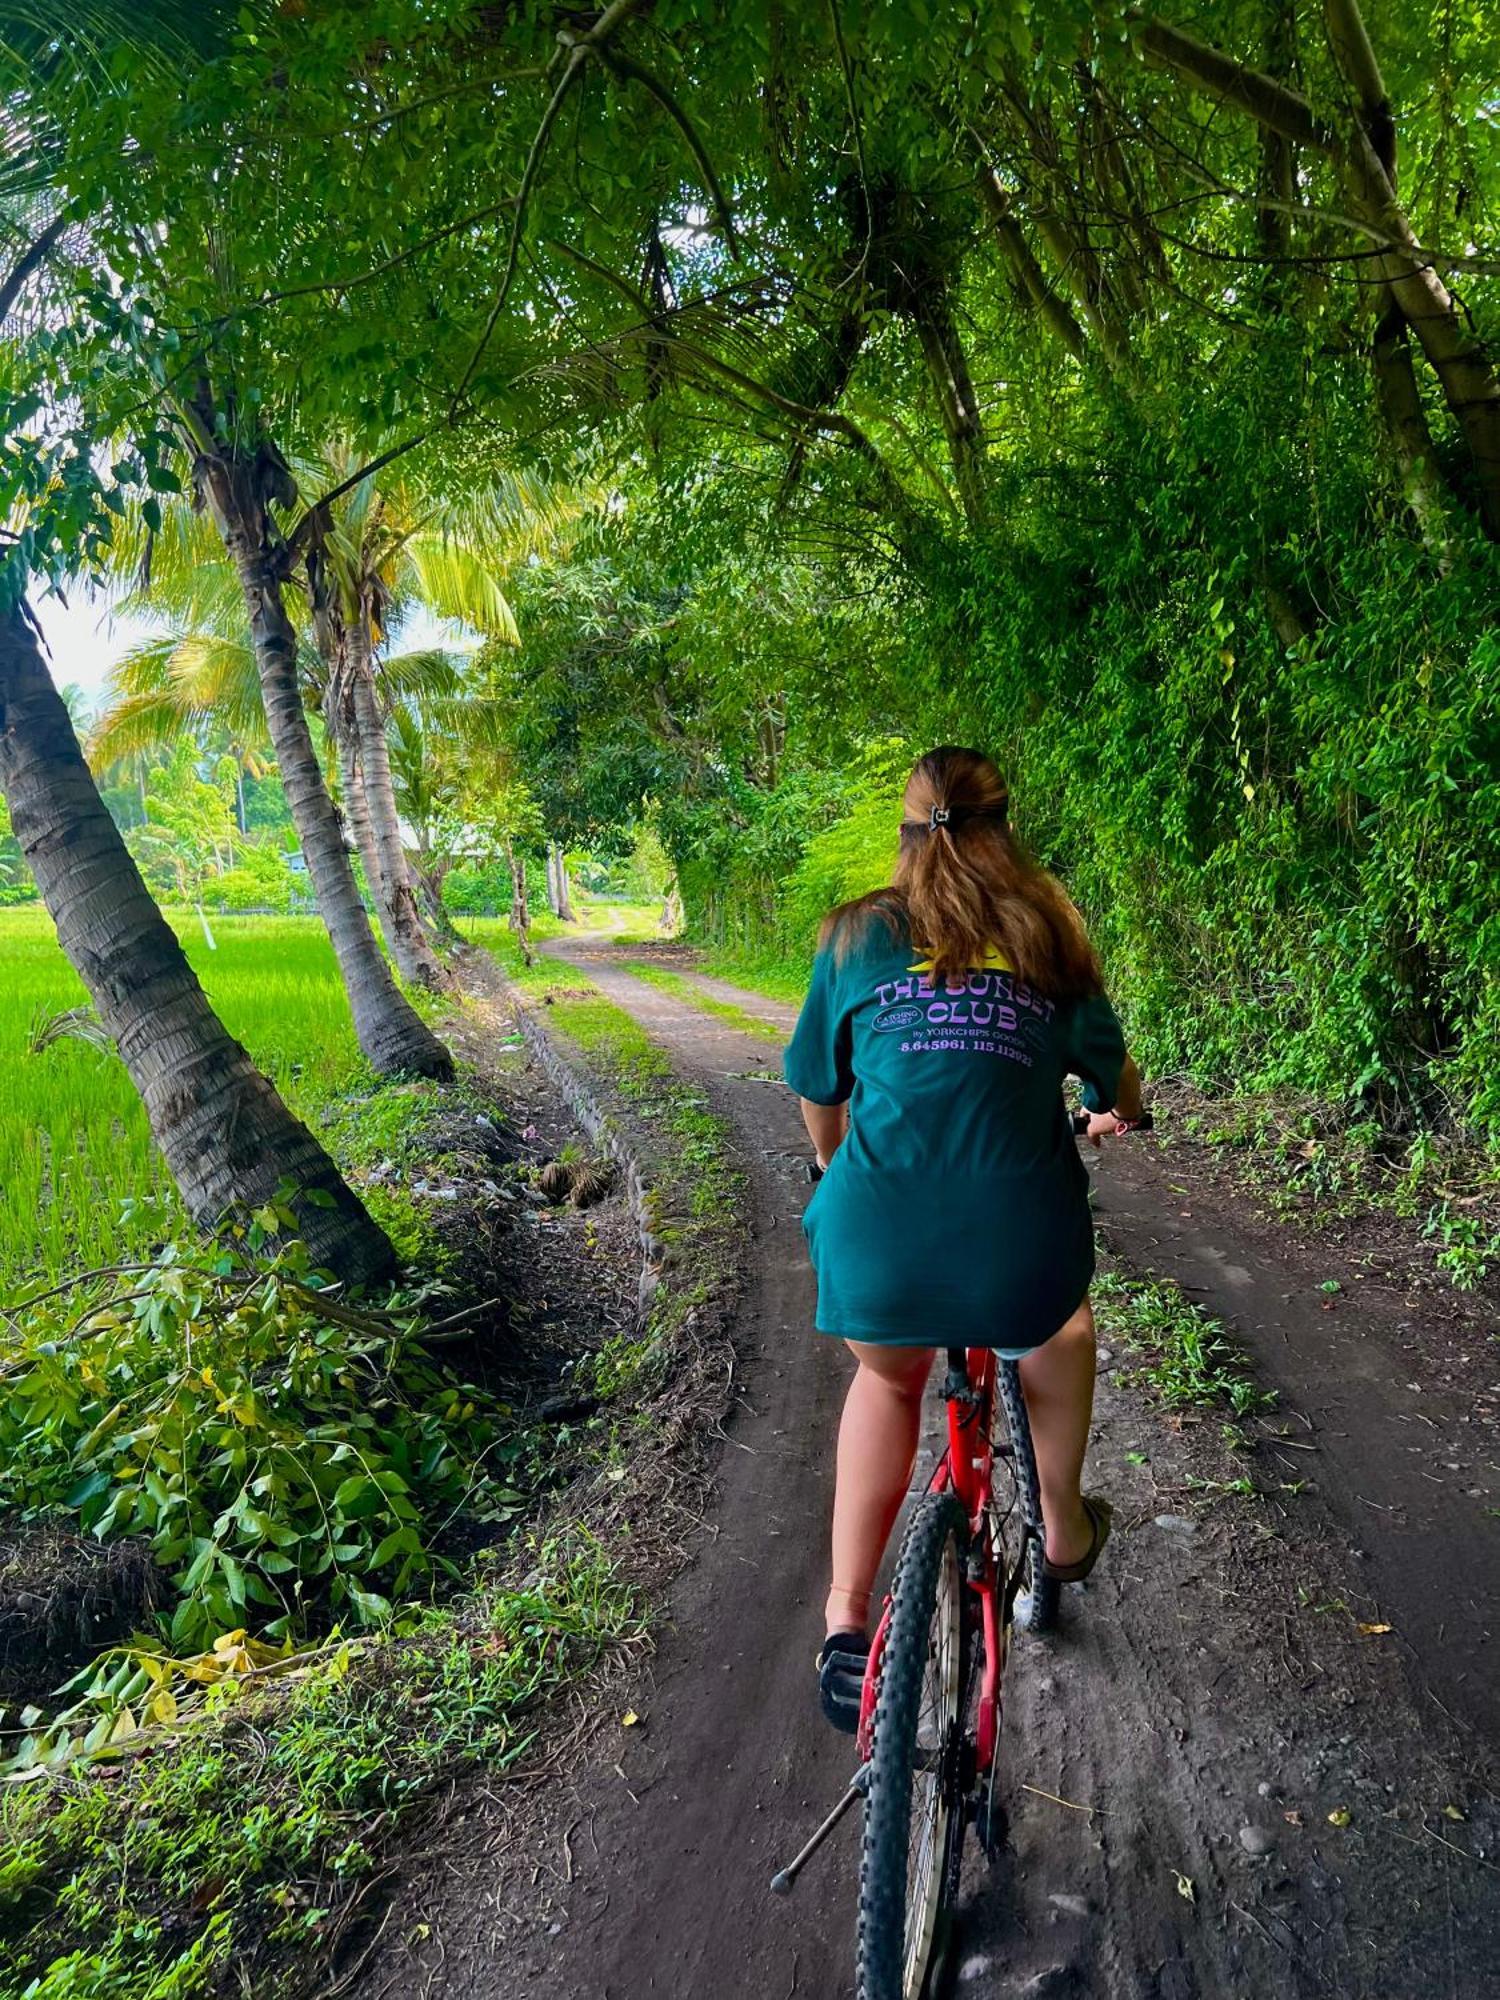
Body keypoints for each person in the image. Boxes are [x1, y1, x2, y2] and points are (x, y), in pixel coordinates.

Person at [782, 746, 1145, 1731]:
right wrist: (1121, 1112)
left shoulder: (856, 937)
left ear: (906, 834)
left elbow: (820, 1088)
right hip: (1017, 1243)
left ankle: (847, 1621)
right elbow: (1113, 1082)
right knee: (1060, 1334)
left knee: (888, 1378)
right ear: (1003, 827)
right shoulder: (1048, 934)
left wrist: (835, 1167)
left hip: (876, 1234)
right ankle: (1063, 1528)